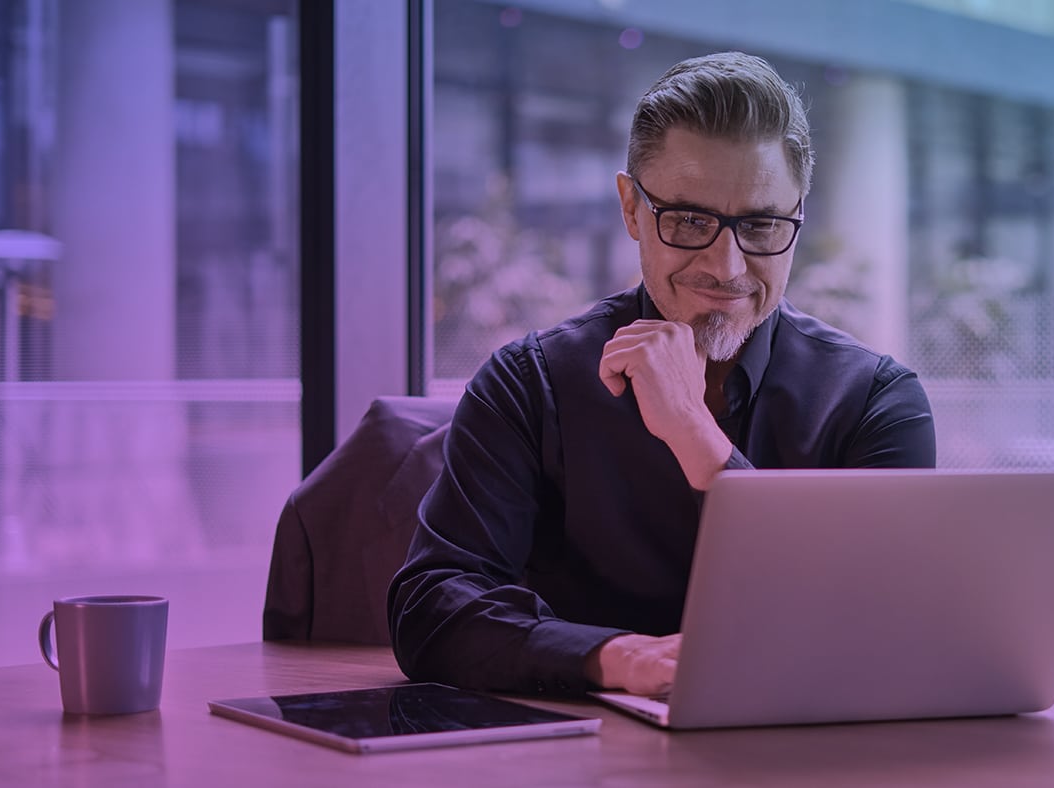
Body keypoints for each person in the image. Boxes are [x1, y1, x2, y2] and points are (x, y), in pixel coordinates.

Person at [388, 51, 935, 698]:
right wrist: (617, 659)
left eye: (760, 225)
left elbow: (882, 628)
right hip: (583, 755)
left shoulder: (877, 402)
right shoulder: (530, 384)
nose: (727, 266)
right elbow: (430, 608)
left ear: (797, 217)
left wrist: (695, 436)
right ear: (631, 209)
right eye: (689, 221)